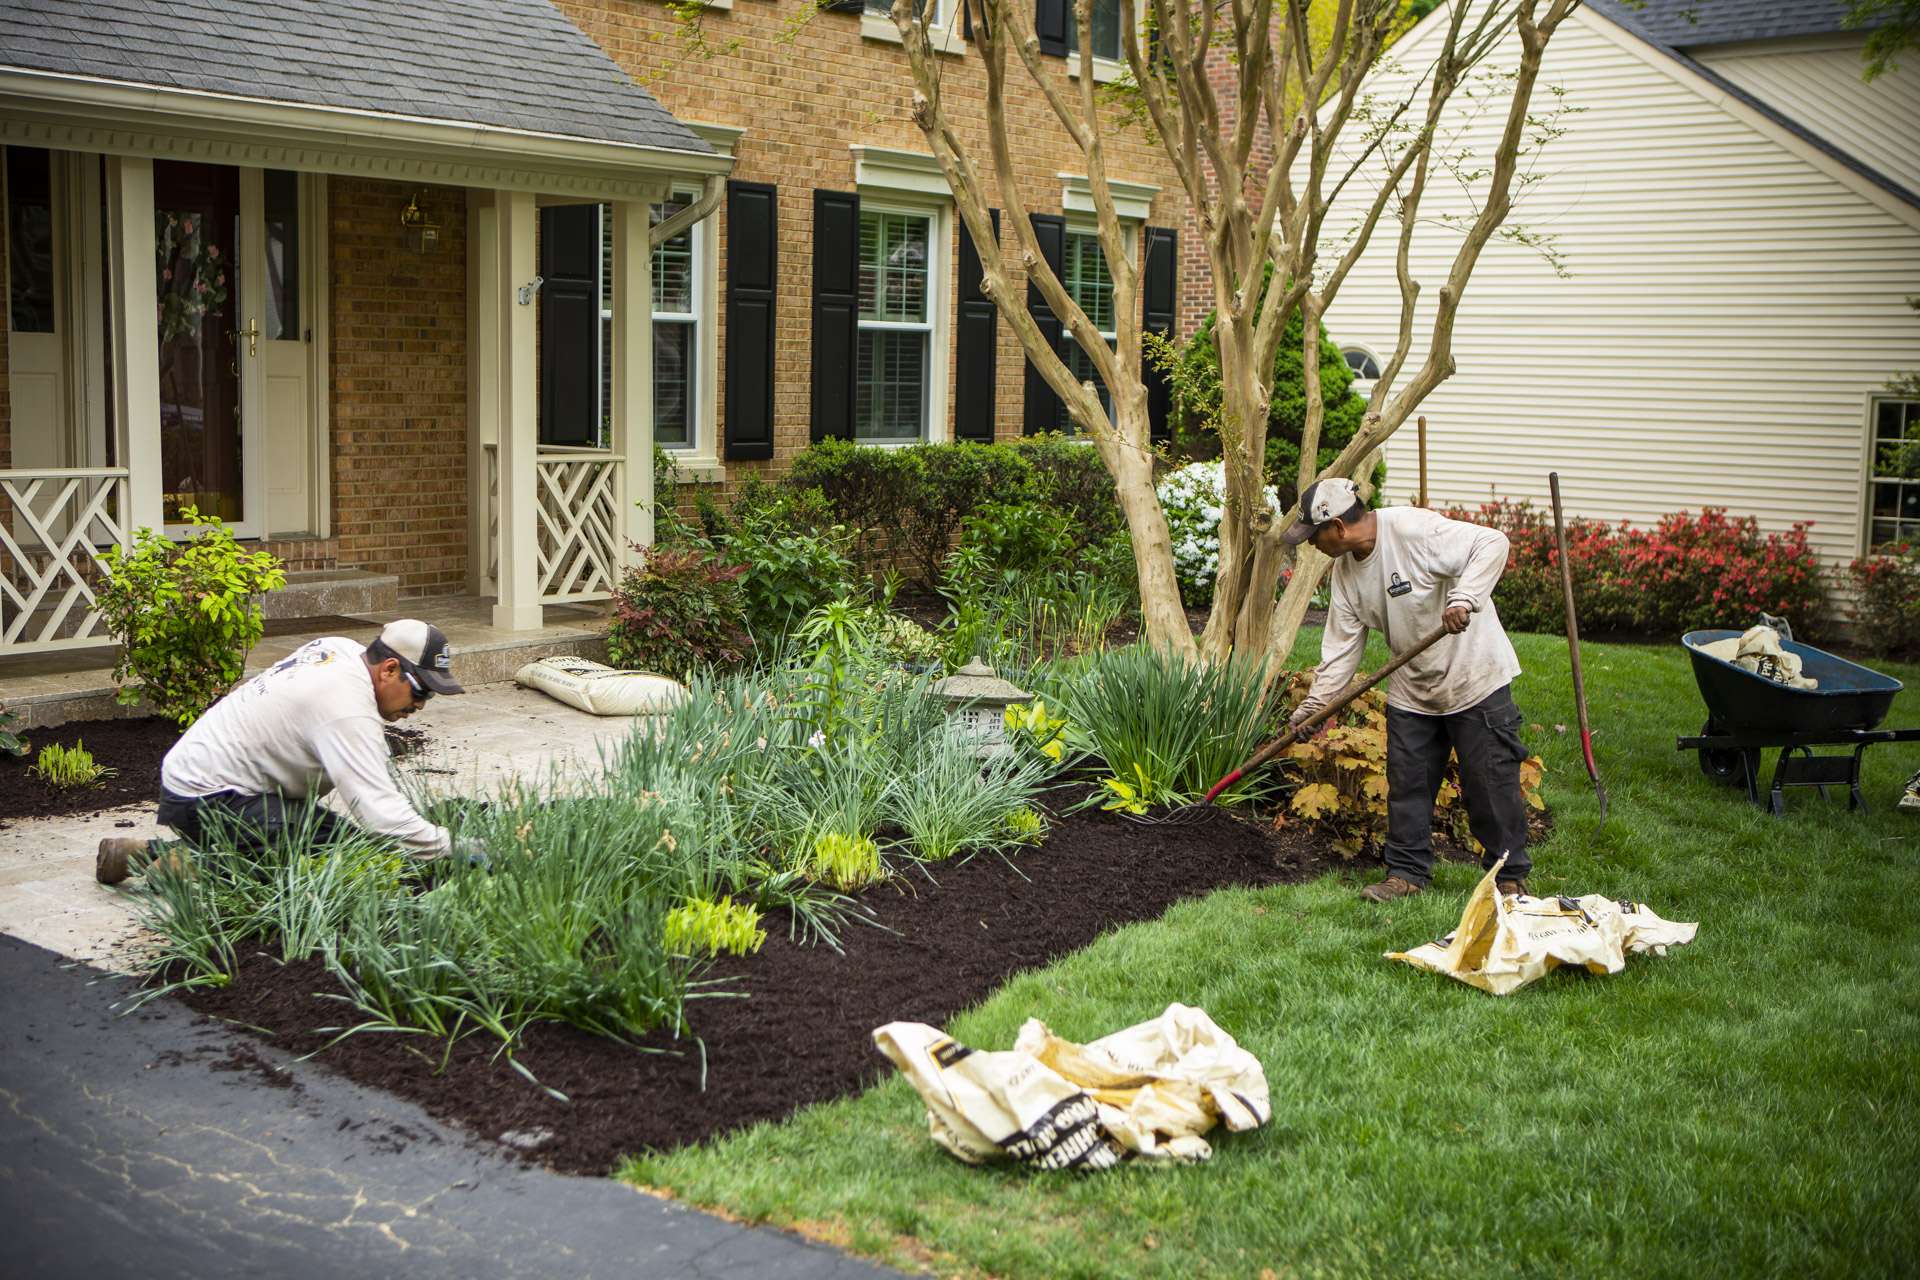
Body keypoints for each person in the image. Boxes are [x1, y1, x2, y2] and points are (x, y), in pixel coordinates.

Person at [1282, 477, 1532, 902]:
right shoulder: (1345, 576)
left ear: (1338, 528)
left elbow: (1492, 542)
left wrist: (1464, 599)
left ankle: (1507, 877)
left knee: (1489, 784)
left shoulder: (1415, 531)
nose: (1311, 546)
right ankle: (1406, 874)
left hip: (1474, 676)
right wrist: (1314, 709)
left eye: (1314, 536)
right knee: (1408, 785)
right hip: (1413, 689)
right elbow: (1341, 652)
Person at [95, 619, 475, 884]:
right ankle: (188, 872)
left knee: (312, 833)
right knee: (343, 854)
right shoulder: (346, 708)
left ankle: (142, 853)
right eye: (421, 690)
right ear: (390, 669)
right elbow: (381, 816)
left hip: (202, 779)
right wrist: (453, 850)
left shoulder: (340, 649)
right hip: (210, 797)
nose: (422, 705)